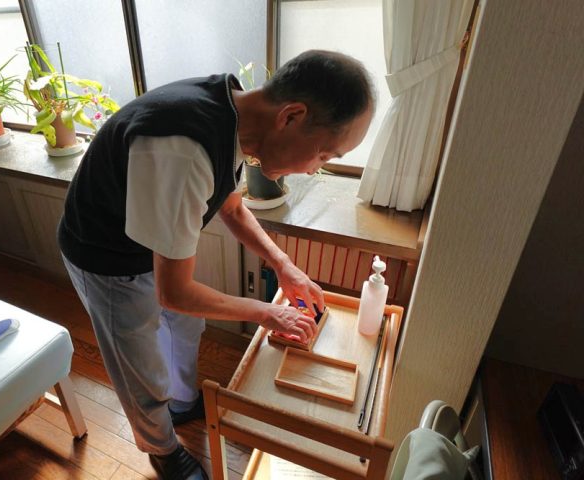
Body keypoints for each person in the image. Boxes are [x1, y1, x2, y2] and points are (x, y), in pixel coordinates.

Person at [57, 49, 374, 480]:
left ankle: (183, 402)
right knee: (139, 368)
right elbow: (175, 292)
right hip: (106, 256)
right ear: (291, 116)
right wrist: (268, 313)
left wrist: (283, 264)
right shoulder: (183, 149)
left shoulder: (236, 114)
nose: (313, 169)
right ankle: (162, 449)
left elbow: (233, 207)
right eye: (323, 155)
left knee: (186, 324)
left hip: (149, 245)